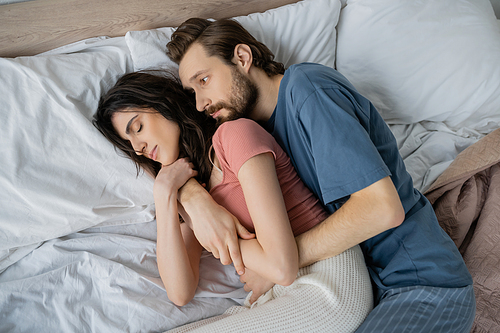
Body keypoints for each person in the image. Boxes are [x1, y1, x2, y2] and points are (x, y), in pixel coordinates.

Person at [165, 17, 476, 332]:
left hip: (420, 283)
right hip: (362, 294)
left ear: (242, 58)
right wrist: (191, 195)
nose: (201, 103)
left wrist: (280, 262)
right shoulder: (257, 135)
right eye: (192, 92)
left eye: (203, 80)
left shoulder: (308, 89)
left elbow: (382, 208)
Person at [93, 71, 373, 332]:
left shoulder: (234, 135)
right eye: (129, 142)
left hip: (330, 279)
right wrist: (165, 194)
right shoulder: (190, 191)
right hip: (277, 291)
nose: (138, 147)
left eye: (138, 127)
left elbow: (281, 268)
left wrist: (209, 225)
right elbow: (180, 292)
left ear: (165, 104)